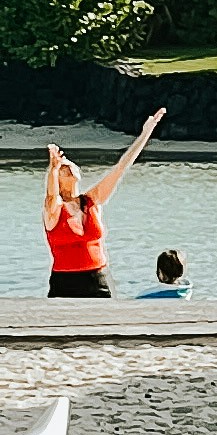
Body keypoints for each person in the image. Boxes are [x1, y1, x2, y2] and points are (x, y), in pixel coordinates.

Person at [43, 114, 164, 300]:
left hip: (98, 278)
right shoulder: (54, 210)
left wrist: (145, 133)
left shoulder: (91, 201)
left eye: (69, 164)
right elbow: (51, 196)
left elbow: (121, 168)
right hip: (65, 282)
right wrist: (53, 168)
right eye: (62, 168)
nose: (66, 165)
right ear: (56, 179)